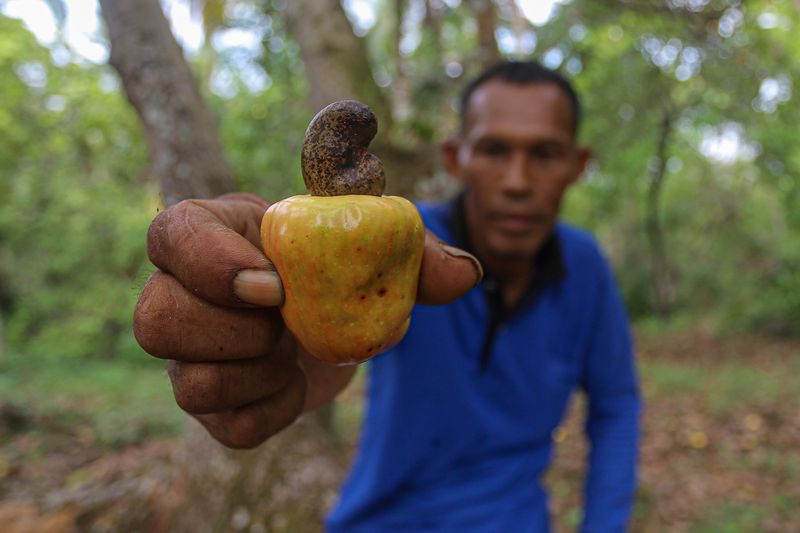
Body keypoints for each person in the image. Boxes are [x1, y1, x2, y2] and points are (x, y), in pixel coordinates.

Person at [134, 60, 641, 532]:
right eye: (493, 150)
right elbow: (340, 283)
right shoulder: (397, 238)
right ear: (455, 157)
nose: (516, 182)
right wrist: (285, 318)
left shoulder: (585, 266)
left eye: (545, 154)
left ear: (578, 164)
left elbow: (616, 402)